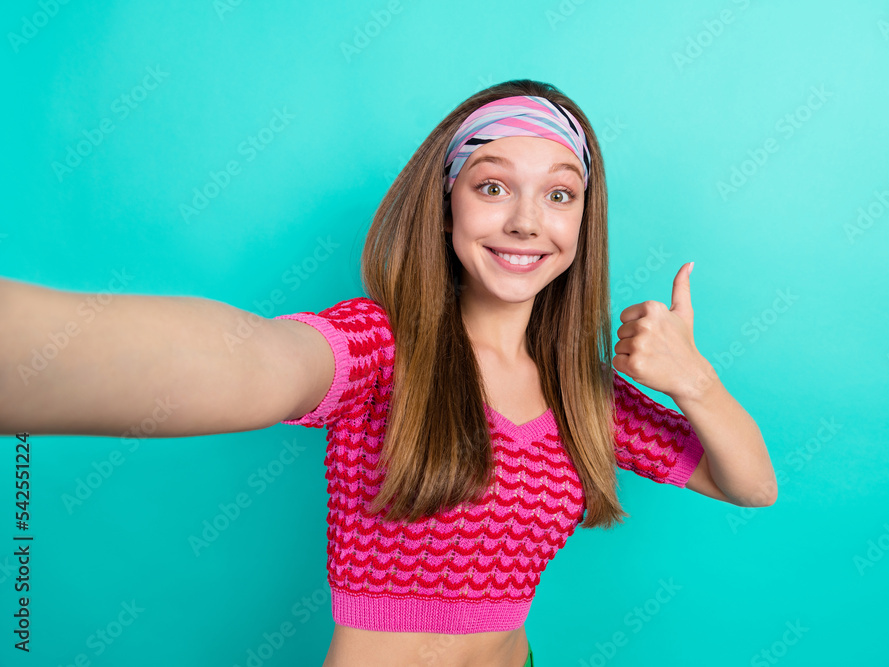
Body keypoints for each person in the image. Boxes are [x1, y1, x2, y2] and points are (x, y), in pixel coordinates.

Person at [0, 79, 776, 667]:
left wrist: (693, 381)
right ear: (446, 207)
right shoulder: (382, 346)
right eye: (494, 185)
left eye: (560, 194)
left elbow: (749, 482)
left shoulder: (584, 396)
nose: (526, 221)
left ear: (582, 220)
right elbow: (257, 362)